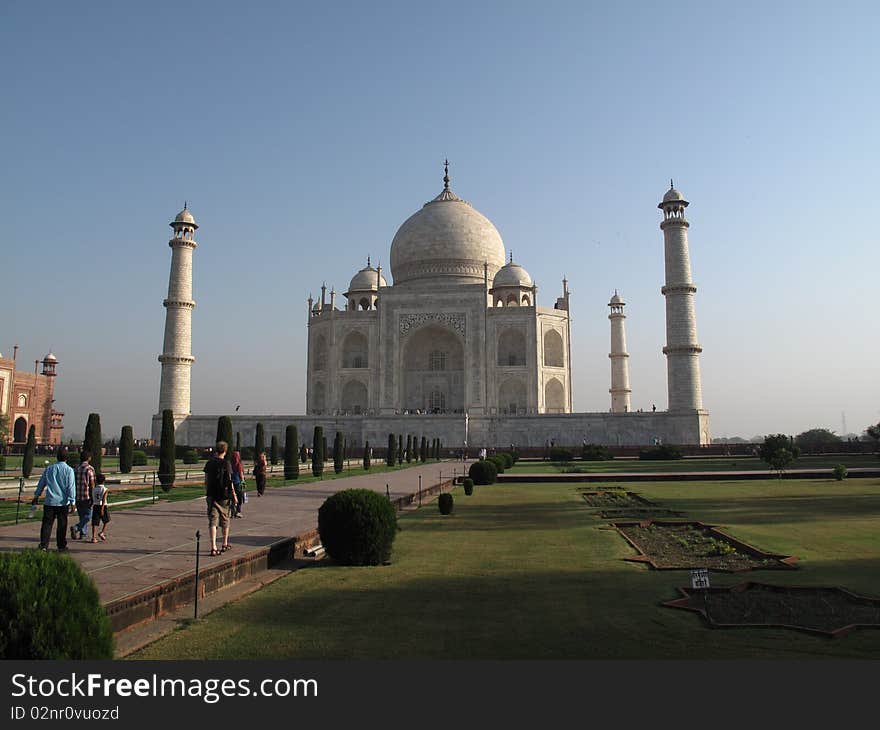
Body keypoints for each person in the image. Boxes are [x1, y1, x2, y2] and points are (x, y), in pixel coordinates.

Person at [32, 446, 76, 551]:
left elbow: (41, 483)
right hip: (62, 502)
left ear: (57, 457)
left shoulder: (49, 469)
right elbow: (70, 487)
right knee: (62, 525)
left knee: (47, 524)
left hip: (50, 501)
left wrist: (37, 495)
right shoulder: (69, 470)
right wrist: (72, 501)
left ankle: (43, 545)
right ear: (67, 458)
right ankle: (61, 545)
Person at [204, 441, 237, 556]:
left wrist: (208, 492)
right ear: (225, 451)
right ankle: (224, 544)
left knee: (213, 521)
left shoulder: (209, 463)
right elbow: (229, 480)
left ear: (216, 450)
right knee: (225, 519)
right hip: (224, 496)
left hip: (212, 495)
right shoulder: (226, 463)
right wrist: (234, 495)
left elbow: (206, 481)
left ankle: (213, 547)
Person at [72, 449, 95, 540]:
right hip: (86, 496)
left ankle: (83, 533)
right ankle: (77, 527)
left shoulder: (76, 468)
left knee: (82, 515)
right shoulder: (89, 469)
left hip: (77, 495)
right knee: (88, 516)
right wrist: (93, 497)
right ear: (89, 458)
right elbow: (92, 484)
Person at [89, 473, 110, 543]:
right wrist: (102, 508)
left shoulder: (94, 489)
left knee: (94, 522)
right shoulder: (105, 489)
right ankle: (102, 532)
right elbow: (104, 499)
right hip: (102, 506)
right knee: (106, 520)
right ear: (104, 481)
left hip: (95, 505)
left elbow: (92, 497)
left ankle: (93, 537)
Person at [230, 450, 245, 517]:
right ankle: (238, 511)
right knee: (239, 497)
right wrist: (243, 482)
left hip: (231, 483)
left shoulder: (230, 464)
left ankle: (232, 510)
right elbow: (241, 474)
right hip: (237, 482)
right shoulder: (239, 464)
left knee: (232, 497)